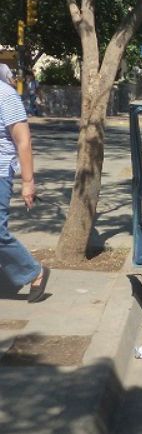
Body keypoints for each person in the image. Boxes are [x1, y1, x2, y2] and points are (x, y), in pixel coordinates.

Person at [0, 64, 49, 303]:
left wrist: (28, 181)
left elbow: (24, 141)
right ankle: (8, 277)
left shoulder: (5, 95)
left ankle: (34, 272)